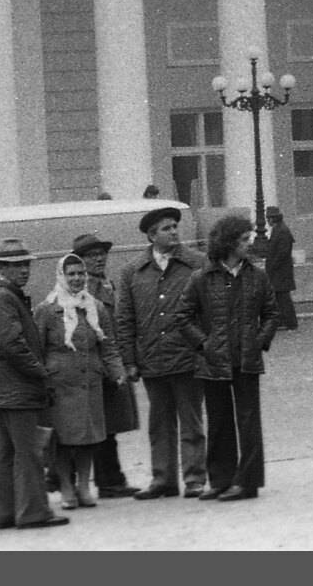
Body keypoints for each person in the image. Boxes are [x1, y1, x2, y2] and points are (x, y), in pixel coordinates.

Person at [173, 211, 280, 502]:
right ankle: (220, 480)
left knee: (248, 422)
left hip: (246, 360)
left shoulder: (257, 275)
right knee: (218, 422)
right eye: (244, 239)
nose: (249, 243)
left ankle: (247, 483)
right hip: (213, 360)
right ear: (229, 242)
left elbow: (272, 313)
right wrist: (204, 344)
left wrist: (259, 342)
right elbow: (183, 317)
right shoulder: (201, 278)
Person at [0, 237, 66, 531]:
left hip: (1, 388)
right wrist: (40, 372)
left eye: (26, 264)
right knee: (28, 451)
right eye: (16, 265)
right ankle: (33, 511)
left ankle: (4, 512)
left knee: (6, 451)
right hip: (17, 387)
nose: (24, 270)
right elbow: (12, 344)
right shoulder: (3, 298)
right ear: (1, 267)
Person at [116, 205, 208, 498]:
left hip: (188, 359)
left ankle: (194, 478)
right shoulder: (132, 272)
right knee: (159, 424)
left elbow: (211, 310)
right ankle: (163, 480)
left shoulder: (197, 264)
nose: (174, 232)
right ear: (151, 235)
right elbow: (124, 319)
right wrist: (129, 360)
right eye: (166, 228)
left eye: (174, 227)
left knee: (191, 422)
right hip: (151, 360)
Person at [38, 250, 124, 510]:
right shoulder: (47, 309)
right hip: (60, 386)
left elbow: (108, 344)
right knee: (64, 441)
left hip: (90, 382)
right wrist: (42, 380)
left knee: (88, 438)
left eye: (81, 273)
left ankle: (84, 486)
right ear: (61, 276)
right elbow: (37, 349)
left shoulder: (94, 306)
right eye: (71, 273)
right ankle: (66, 487)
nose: (76, 278)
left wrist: (116, 370)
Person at [67, 234, 140, 497]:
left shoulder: (105, 284)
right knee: (99, 427)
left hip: (109, 363)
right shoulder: (85, 290)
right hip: (99, 367)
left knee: (105, 427)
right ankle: (105, 481)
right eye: (91, 255)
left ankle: (106, 479)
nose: (99, 258)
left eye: (102, 253)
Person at [262, 205, 300, 331]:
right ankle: (285, 321)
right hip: (280, 270)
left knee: (283, 297)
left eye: (268, 218)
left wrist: (273, 266)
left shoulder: (282, 230)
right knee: (280, 297)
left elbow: (282, 253)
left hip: (281, 271)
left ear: (273, 219)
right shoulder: (279, 229)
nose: (267, 221)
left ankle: (289, 322)